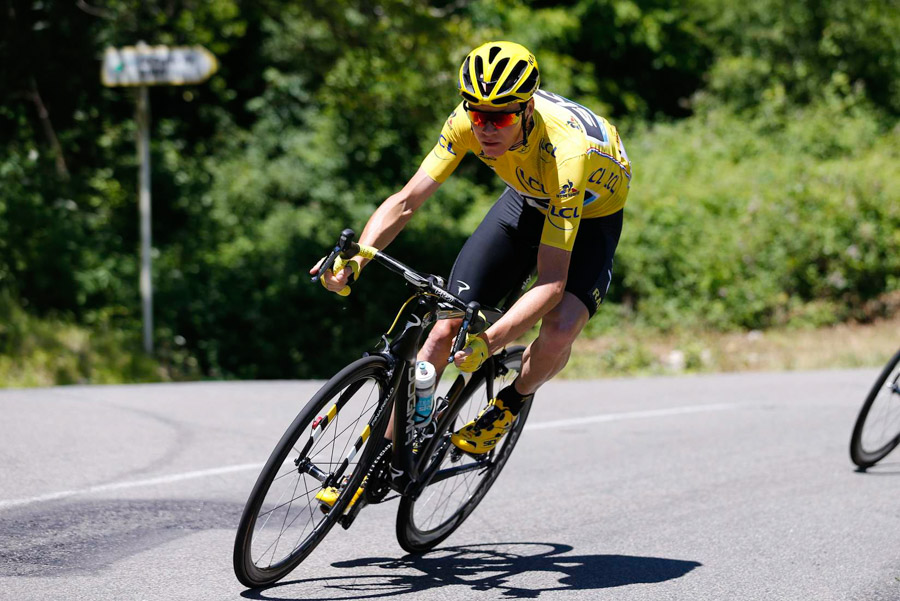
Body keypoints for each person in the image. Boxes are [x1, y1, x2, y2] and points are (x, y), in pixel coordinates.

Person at [312, 40, 631, 458]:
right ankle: (381, 452)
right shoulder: (466, 121)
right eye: (478, 115)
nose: (485, 129)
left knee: (560, 326)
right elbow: (407, 200)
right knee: (446, 322)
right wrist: (357, 258)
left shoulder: (567, 156)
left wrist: (490, 341)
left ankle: (512, 401)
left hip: (588, 213)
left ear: (527, 111)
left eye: (500, 119)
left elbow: (552, 282)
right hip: (525, 196)